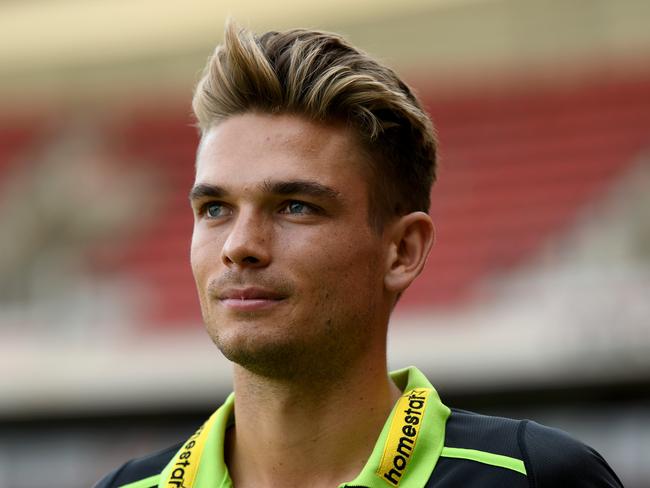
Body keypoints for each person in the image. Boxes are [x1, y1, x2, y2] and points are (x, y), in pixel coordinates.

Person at [95, 22, 623, 488]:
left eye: (295, 206)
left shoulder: (534, 477)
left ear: (402, 251)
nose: (239, 246)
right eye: (214, 208)